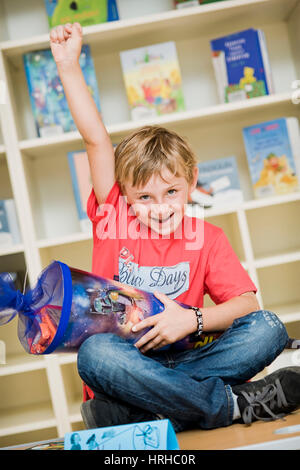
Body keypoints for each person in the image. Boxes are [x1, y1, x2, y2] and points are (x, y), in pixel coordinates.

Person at [50, 23, 300, 431]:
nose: (160, 207)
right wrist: (68, 66)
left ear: (192, 179)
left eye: (171, 192)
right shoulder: (113, 217)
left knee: (268, 329)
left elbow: (247, 306)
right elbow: (95, 139)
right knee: (95, 354)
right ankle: (228, 404)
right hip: (128, 361)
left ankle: (153, 411)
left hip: (189, 357)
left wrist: (192, 320)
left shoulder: (207, 238)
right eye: (144, 197)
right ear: (125, 195)